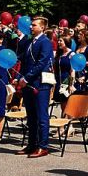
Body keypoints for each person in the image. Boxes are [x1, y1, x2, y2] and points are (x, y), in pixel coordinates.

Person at [17, 17, 54, 158]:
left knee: (41, 116)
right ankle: (31, 144)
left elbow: (42, 63)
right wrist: (19, 76)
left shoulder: (45, 42)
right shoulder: (28, 41)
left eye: (34, 25)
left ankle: (42, 146)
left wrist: (26, 78)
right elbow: (24, 61)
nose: (31, 27)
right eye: (31, 25)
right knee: (31, 116)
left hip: (39, 83)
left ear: (43, 27)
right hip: (27, 83)